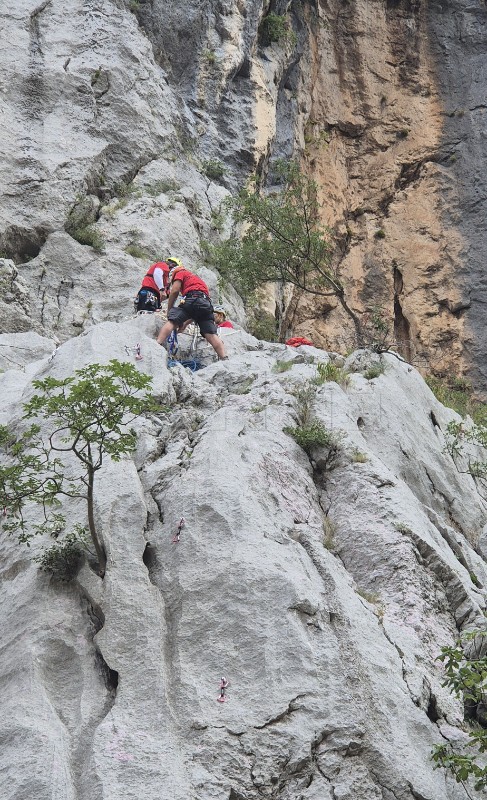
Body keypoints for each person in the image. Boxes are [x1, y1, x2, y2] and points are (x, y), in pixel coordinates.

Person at [156, 260, 227, 360]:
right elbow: (197, 310)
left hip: (192, 298)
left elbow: (175, 291)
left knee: (172, 321)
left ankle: (157, 343)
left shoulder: (180, 273)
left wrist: (169, 310)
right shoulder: (197, 280)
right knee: (211, 334)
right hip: (206, 304)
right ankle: (224, 358)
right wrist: (185, 324)